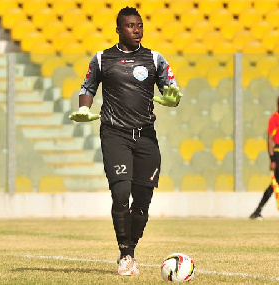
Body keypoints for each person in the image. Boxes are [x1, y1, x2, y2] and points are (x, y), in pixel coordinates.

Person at [69, 6, 182, 276]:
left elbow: (171, 87)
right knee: (120, 193)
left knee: (142, 201)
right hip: (115, 134)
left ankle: (132, 246)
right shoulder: (101, 58)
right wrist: (85, 108)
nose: (136, 30)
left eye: (140, 25)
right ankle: (125, 255)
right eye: (130, 26)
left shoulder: (154, 59)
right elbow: (87, 87)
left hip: (146, 136)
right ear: (118, 29)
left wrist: (172, 97)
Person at [250, 94, 279, 220]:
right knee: (278, 179)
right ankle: (257, 211)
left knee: (276, 182)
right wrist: (272, 159)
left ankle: (257, 211)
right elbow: (269, 139)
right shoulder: (274, 118)